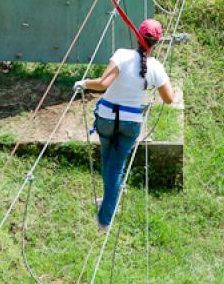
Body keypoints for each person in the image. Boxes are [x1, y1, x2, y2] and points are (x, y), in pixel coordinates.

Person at [74, 19, 174, 231]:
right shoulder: (155, 67)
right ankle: (107, 211)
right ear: (157, 42)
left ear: (137, 36)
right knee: (116, 165)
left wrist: (83, 83)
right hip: (131, 122)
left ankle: (106, 212)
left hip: (107, 116)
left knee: (107, 158)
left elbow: (102, 85)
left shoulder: (121, 55)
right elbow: (169, 98)